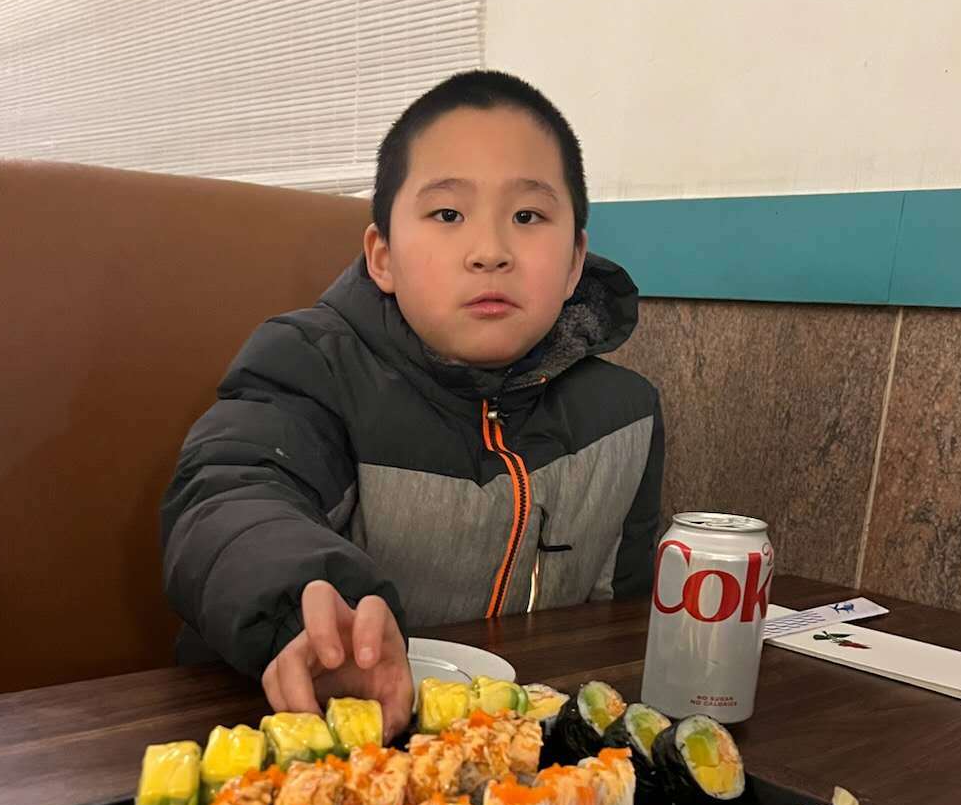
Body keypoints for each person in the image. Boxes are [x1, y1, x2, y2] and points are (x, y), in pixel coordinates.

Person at [162, 70, 664, 738]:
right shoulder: (308, 364)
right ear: (383, 256)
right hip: (305, 740)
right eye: (447, 215)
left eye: (529, 216)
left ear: (575, 261)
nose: (490, 252)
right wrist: (306, 607)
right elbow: (227, 495)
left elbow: (620, 636)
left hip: (510, 769)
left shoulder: (624, 413)